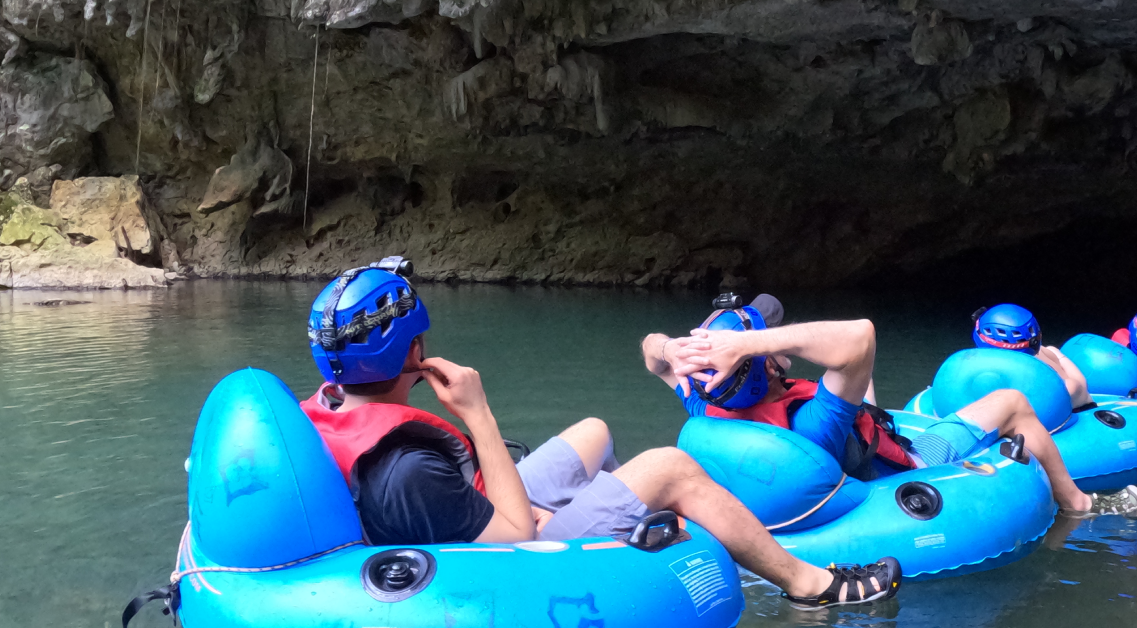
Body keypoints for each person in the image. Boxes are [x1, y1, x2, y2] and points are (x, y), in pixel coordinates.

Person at [301, 261, 901, 608]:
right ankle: (811, 588)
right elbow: (510, 543)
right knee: (666, 465)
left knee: (593, 431)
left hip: (468, 514)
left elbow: (653, 355)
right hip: (506, 556)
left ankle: (604, 527)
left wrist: (681, 349)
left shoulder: (327, 407)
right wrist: (478, 414)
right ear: (413, 347)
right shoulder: (411, 468)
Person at [643, 293, 1137, 516]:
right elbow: (860, 337)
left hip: (843, 454)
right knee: (1011, 401)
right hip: (896, 465)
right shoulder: (813, 422)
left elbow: (650, 350)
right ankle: (1078, 504)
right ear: (770, 366)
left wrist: (670, 350)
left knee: (860, 379)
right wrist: (753, 342)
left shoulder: (703, 403)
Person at [972, 302, 1092, 407]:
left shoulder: (1026, 374)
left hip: (1070, 404)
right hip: (1078, 393)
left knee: (1071, 386)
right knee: (1052, 351)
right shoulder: (1044, 351)